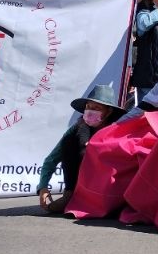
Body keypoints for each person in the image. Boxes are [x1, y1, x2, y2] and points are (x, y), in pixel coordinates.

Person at [36, 84, 126, 213]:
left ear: (108, 111)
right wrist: (43, 187)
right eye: (88, 107)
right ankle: (71, 193)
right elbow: (51, 159)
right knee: (68, 143)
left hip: (110, 183)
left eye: (96, 108)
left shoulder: (118, 128)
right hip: (82, 182)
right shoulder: (77, 129)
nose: (90, 111)